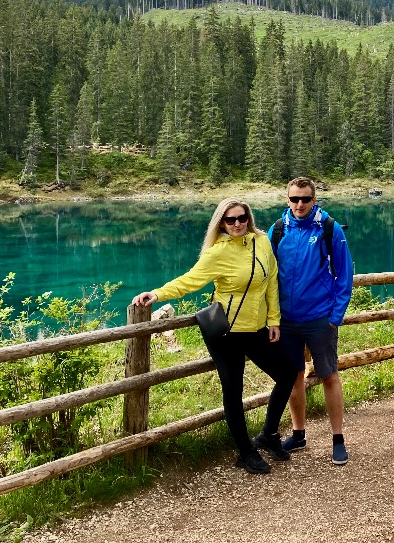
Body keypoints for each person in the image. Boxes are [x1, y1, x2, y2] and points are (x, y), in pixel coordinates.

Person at [131, 198, 298, 475]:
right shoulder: (217, 252)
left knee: (288, 372)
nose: (237, 224)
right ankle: (246, 452)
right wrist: (157, 293)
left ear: (249, 218)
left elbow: (271, 281)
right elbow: (190, 280)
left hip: (256, 328)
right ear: (221, 222)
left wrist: (273, 320)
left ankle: (268, 435)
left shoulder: (262, 241)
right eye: (230, 220)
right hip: (227, 332)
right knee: (233, 390)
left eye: (242, 218)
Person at [270, 177, 353, 464]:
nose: (300, 204)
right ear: (287, 200)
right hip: (287, 320)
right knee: (294, 377)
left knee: (329, 375)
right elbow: (268, 275)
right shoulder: (278, 231)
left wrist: (335, 316)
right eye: (294, 199)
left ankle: (338, 439)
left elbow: (344, 273)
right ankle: (298, 433)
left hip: (320, 317)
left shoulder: (329, 228)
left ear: (314, 199)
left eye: (305, 199)